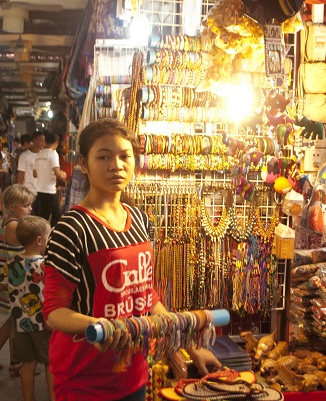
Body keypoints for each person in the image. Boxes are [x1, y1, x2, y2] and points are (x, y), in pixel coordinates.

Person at [43, 119, 221, 401]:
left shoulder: (138, 218)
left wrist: (188, 344)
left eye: (125, 156)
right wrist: (103, 327)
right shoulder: (71, 228)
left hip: (133, 370)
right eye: (103, 156)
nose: (116, 165)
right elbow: (54, 312)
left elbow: (143, 292)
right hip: (85, 377)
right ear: (84, 164)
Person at [0, 216, 54, 401]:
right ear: (39, 240)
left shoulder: (11, 264)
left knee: (27, 364)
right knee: (51, 363)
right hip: (44, 324)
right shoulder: (45, 265)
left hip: (20, 325)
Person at [0, 184, 35, 378]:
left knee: (11, 320)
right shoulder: (14, 227)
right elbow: (31, 243)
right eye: (26, 206)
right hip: (16, 282)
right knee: (16, 324)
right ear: (13, 206)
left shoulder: (8, 222)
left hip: (10, 278)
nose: (30, 209)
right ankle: (15, 363)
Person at [33, 130, 67, 226]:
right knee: (46, 217)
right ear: (56, 142)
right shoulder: (53, 154)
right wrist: (63, 175)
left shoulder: (39, 154)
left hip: (39, 190)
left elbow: (34, 174)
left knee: (55, 214)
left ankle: (50, 233)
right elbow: (57, 173)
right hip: (49, 190)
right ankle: (44, 235)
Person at [17, 131, 44, 214]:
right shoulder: (25, 156)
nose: (40, 142)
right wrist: (20, 191)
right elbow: (21, 174)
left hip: (42, 191)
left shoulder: (44, 155)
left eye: (42, 140)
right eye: (38, 140)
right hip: (29, 191)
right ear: (33, 140)